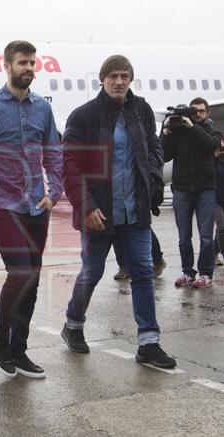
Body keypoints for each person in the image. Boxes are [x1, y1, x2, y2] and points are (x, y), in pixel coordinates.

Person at [61, 55, 176, 369]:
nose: (119, 81)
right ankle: (73, 324)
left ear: (131, 79)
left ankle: (149, 343)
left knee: (142, 272)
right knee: (92, 273)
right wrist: (85, 206)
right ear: (102, 79)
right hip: (99, 213)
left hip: (135, 210)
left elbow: (154, 147)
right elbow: (69, 166)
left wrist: (153, 179)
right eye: (113, 76)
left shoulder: (141, 111)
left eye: (125, 76)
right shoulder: (83, 116)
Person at [0, 40, 62, 379]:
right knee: (20, 273)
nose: (29, 68)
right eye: (22, 62)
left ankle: (19, 349)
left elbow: (53, 151)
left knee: (32, 279)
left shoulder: (43, 109)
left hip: (37, 204)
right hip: (4, 203)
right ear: (6, 65)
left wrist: (55, 190)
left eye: (32, 63)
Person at [162, 97, 222, 288]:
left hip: (205, 189)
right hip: (182, 189)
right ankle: (187, 272)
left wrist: (192, 126)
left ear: (207, 113)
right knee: (183, 236)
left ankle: (205, 273)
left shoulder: (211, 130)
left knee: (205, 235)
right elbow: (164, 154)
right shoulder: (179, 133)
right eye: (193, 111)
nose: (197, 115)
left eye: (201, 111)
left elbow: (211, 145)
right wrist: (165, 132)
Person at [215, 138, 224, 266]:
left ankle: (213, 251)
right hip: (214, 199)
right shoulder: (213, 162)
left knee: (221, 228)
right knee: (222, 226)